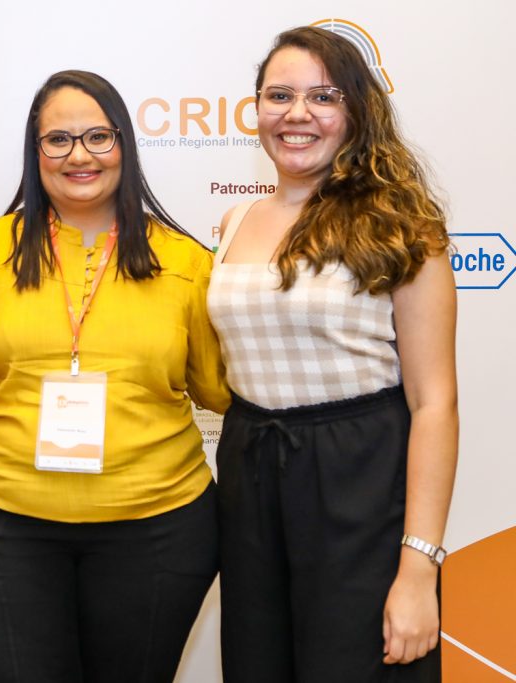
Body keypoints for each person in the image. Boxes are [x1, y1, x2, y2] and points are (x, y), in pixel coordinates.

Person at [0, 70, 230, 683]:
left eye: (99, 136)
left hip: (158, 529)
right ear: (34, 151)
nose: (79, 155)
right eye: (58, 139)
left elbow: (218, 389)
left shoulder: (188, 263)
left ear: (126, 144)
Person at [208, 26, 457, 683]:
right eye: (279, 95)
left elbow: (434, 402)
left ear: (356, 109)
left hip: (361, 481)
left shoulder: (402, 224)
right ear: (256, 107)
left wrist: (418, 567)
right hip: (251, 477)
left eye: (322, 95)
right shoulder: (235, 223)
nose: (297, 113)